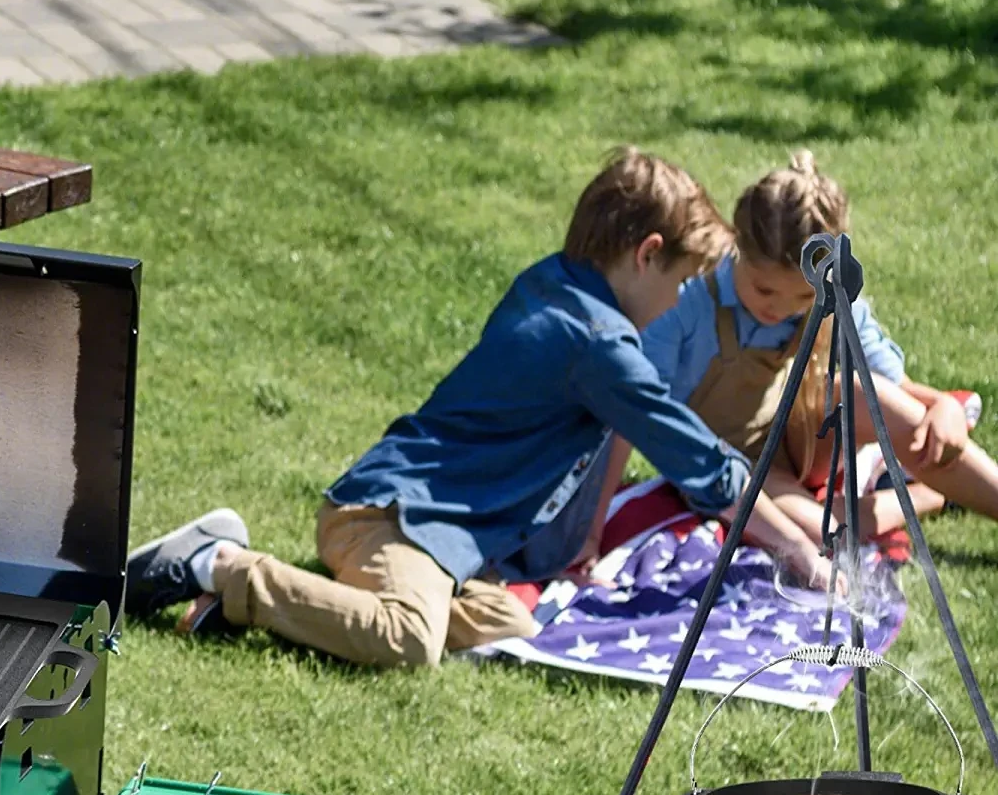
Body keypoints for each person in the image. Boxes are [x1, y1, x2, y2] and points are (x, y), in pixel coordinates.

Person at [125, 148, 829, 669]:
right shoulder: (597, 342)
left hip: (444, 539)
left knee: (508, 627)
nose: (679, 301)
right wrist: (795, 547)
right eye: (679, 282)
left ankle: (262, 605)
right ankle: (218, 564)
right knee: (406, 639)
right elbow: (697, 459)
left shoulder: (555, 284)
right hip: (390, 519)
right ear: (648, 255)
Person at [642, 151, 998, 546]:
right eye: (765, 289)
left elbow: (893, 389)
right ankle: (928, 496)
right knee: (819, 533)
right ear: (737, 245)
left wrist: (942, 406)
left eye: (802, 298)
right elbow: (634, 405)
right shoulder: (690, 299)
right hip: (734, 467)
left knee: (875, 396)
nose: (779, 308)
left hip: (805, 437)